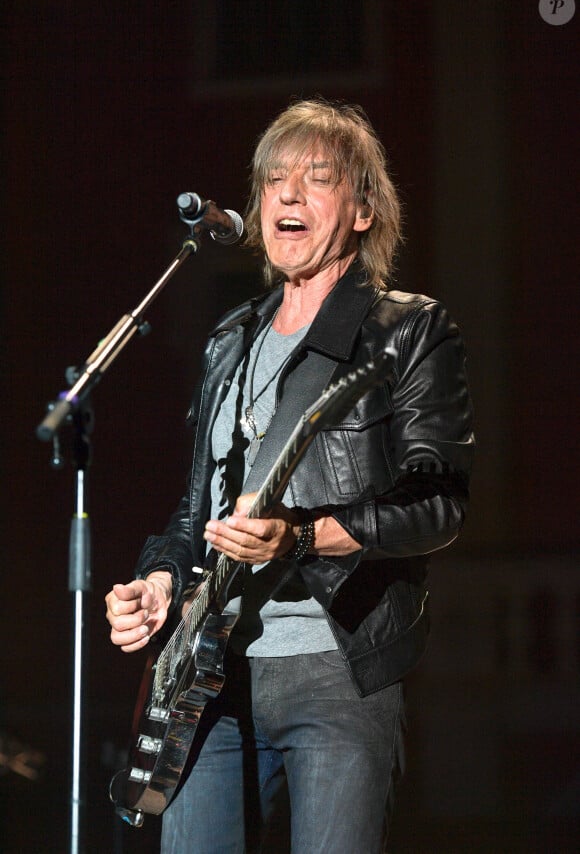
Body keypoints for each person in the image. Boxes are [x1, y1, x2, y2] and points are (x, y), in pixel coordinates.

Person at [106, 98, 474, 853]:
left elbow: (437, 502)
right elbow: (195, 509)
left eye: (316, 178)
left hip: (335, 669)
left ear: (364, 211)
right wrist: (160, 582)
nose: (288, 197)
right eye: (274, 181)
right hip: (205, 675)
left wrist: (301, 537)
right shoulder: (229, 340)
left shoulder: (406, 330)